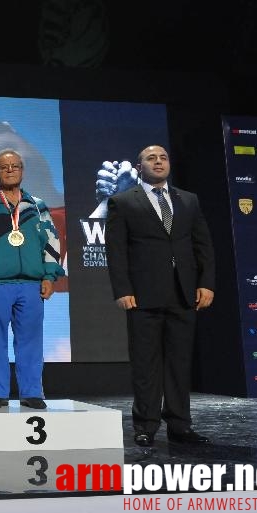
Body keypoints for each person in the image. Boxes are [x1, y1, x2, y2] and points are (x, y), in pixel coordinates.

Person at [105, 145, 215, 446]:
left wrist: (207, 283)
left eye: (163, 158)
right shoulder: (123, 202)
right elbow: (115, 252)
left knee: (180, 364)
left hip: (183, 294)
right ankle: (146, 426)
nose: (158, 162)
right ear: (140, 167)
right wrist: (123, 289)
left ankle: (180, 425)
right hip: (143, 296)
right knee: (146, 365)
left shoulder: (188, 200)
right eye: (151, 158)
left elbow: (202, 245)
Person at [0, 149, 65, 410]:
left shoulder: (37, 207)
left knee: (31, 341)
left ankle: (31, 392)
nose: (9, 170)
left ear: (22, 170)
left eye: (15, 166)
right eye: (4, 167)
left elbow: (51, 243)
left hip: (31, 285)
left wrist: (50, 276)